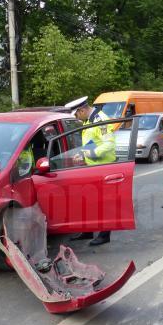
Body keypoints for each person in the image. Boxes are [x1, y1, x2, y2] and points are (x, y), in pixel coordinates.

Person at [66, 96, 115, 246]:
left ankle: (105, 234)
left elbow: (109, 145)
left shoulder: (100, 120)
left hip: (104, 168)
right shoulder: (88, 120)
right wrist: (81, 154)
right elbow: (91, 143)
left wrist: (87, 154)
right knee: (89, 202)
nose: (76, 118)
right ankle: (88, 231)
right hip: (91, 168)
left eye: (76, 115)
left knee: (104, 204)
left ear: (81, 110)